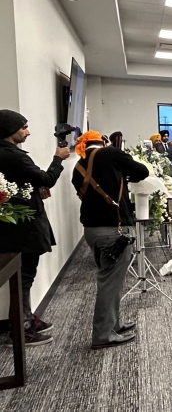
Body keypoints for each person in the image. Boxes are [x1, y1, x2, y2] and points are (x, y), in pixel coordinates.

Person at [71, 130, 148, 349]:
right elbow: (141, 171)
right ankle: (103, 334)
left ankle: (113, 323)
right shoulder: (111, 154)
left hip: (92, 231)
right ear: (103, 142)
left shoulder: (78, 166)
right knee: (109, 283)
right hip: (112, 230)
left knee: (109, 280)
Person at [0, 109, 69, 346]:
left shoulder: (9, 154)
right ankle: (21, 330)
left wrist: (34, 188)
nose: (28, 132)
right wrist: (58, 158)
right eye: (23, 127)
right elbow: (46, 178)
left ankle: (26, 319)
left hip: (18, 226)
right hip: (23, 228)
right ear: (10, 130)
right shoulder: (13, 156)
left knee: (24, 278)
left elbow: (21, 183)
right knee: (24, 278)